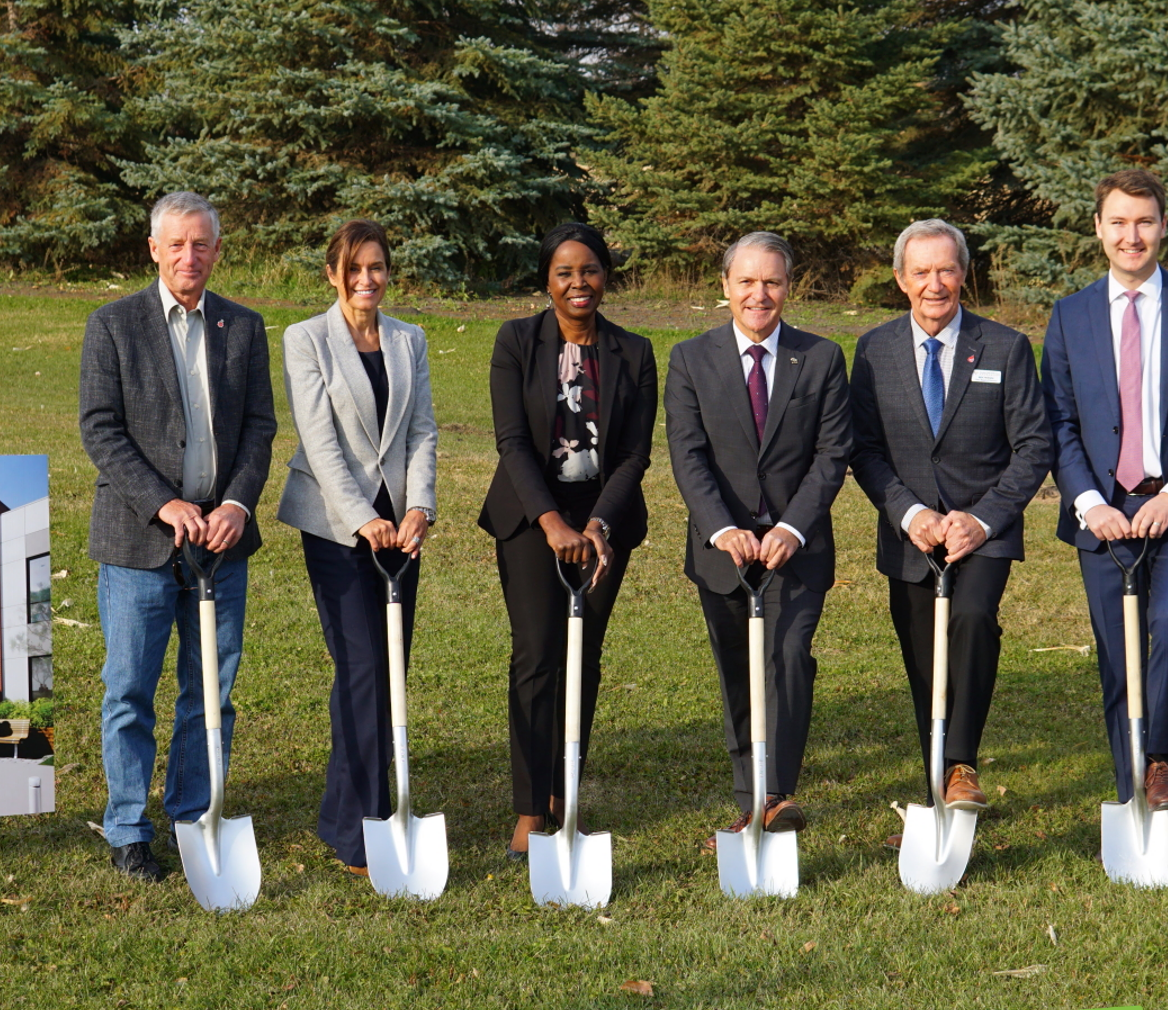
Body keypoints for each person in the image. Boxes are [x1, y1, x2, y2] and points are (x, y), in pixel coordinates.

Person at [79, 191, 278, 882]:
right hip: (139, 541)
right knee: (129, 688)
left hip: (221, 543)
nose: (189, 256)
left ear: (217, 251)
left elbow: (259, 429)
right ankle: (129, 828)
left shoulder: (244, 328)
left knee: (210, 690)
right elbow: (100, 428)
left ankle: (194, 813)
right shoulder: (112, 326)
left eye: (202, 244)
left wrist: (237, 504)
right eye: (177, 244)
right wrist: (164, 502)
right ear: (154, 249)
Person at [1039, 168, 1168, 813]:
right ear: (1098, 228)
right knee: (1116, 648)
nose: (1133, 236)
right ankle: (1130, 784)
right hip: (1102, 511)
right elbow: (1058, 420)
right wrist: (1089, 502)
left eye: (1145, 222)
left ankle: (1159, 761)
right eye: (1119, 222)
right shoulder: (1070, 315)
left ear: (1163, 227)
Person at [849, 219, 1052, 844]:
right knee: (921, 660)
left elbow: (1034, 444)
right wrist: (911, 514)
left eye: (946, 270)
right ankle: (935, 781)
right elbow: (864, 447)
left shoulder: (1005, 347)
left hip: (983, 530)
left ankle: (960, 762)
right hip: (910, 532)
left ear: (964, 274)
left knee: (970, 621)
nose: (934, 284)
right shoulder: (875, 350)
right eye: (921, 272)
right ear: (900, 279)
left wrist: (982, 517)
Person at [664, 232, 852, 850]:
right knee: (739, 674)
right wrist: (722, 529)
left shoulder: (821, 358)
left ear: (788, 287)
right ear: (725, 287)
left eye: (771, 281)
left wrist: (792, 528)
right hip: (723, 555)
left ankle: (777, 795)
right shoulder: (691, 359)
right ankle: (752, 797)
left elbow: (832, 454)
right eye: (746, 281)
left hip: (797, 550)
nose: (758, 294)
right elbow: (688, 455)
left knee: (788, 659)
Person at [478, 222, 658, 860]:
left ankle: (565, 794)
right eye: (564, 272)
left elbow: (635, 453)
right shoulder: (517, 341)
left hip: (603, 518)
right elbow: (511, 440)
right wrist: (551, 522)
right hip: (531, 516)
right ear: (546, 279)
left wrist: (597, 526)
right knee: (537, 655)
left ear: (605, 275)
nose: (578, 283)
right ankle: (531, 806)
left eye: (589, 270)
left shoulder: (634, 352)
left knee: (584, 656)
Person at [276, 219, 438, 877]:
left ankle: (344, 813)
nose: (368, 279)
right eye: (355, 268)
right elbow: (319, 440)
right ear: (332, 273)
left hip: (403, 530)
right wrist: (360, 518)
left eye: (377, 267)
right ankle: (364, 829)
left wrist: (419, 504)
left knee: (385, 672)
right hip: (336, 527)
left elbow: (423, 428)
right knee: (365, 666)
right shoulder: (305, 339)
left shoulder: (409, 339)